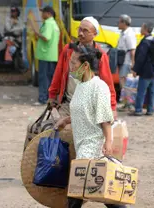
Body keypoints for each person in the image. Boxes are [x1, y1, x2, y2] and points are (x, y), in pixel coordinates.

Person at [54, 45, 126, 208]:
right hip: (82, 143)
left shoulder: (98, 87)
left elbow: (104, 118)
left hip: (93, 144)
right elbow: (85, 111)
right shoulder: (80, 85)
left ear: (85, 65)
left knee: (77, 189)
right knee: (100, 192)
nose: (70, 67)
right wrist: (66, 120)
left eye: (73, 63)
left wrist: (108, 142)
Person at [48, 16, 117, 118]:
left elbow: (108, 84)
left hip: (90, 108)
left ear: (94, 34)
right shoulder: (68, 50)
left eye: (85, 31)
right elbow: (58, 74)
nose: (80, 33)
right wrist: (52, 96)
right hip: (68, 104)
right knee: (57, 129)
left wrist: (112, 107)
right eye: (80, 29)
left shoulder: (100, 56)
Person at [33, 6, 60, 106]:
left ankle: (42, 99)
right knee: (50, 78)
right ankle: (50, 99)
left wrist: (37, 33)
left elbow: (46, 37)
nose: (41, 14)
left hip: (45, 55)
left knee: (43, 78)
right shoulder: (54, 24)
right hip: (52, 55)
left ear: (48, 13)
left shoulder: (48, 23)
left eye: (43, 12)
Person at [130, 21, 154, 116]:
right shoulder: (153, 39)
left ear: (145, 29)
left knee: (141, 91)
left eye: (141, 27)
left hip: (145, 71)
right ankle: (150, 109)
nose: (140, 29)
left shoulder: (145, 42)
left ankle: (138, 110)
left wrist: (135, 69)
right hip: (153, 70)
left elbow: (141, 57)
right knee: (152, 91)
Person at [117, 14, 136, 90]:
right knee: (122, 78)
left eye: (119, 22)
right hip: (122, 60)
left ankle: (126, 98)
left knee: (124, 79)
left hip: (126, 62)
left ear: (124, 23)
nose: (118, 24)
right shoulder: (123, 33)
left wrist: (133, 64)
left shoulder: (129, 34)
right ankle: (125, 97)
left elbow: (132, 50)